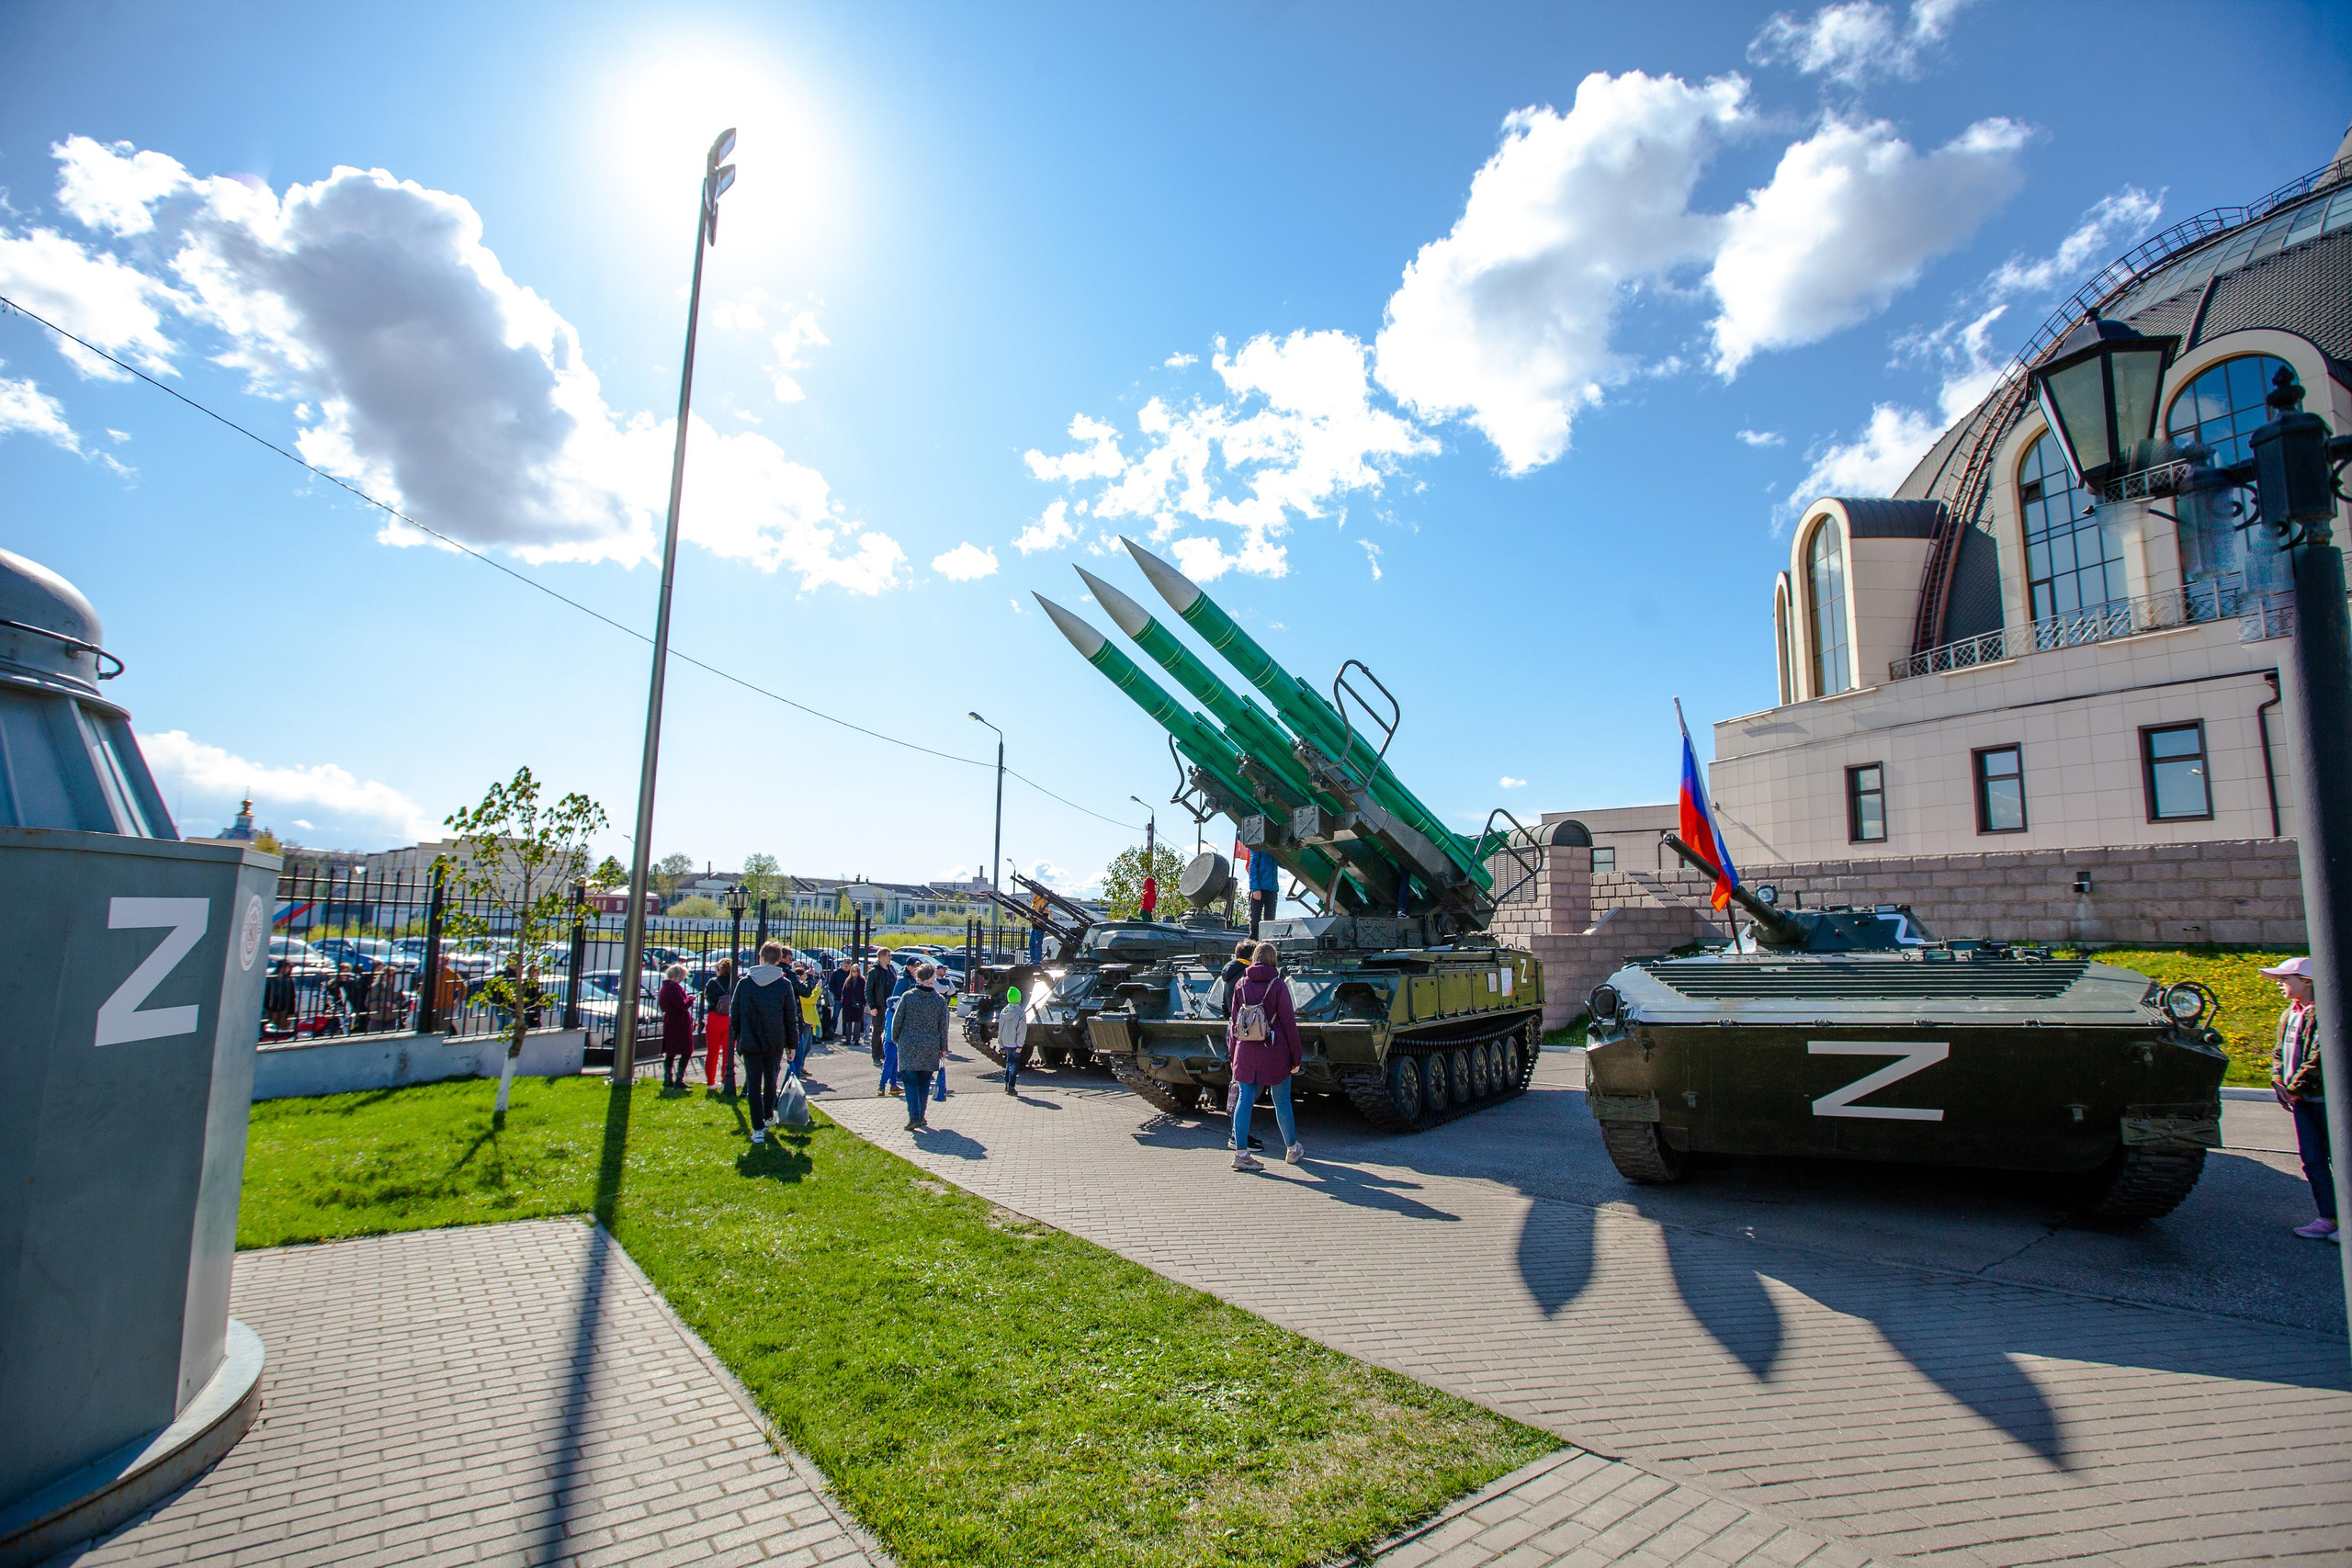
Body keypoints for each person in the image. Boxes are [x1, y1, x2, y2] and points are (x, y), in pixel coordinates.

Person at [2267, 955, 2335, 1241]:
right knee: (2313, 1159)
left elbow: (2319, 1058)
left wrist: (2293, 1088)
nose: (2280, 984)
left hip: (2326, 1102)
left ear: (2307, 982)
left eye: (2286, 979)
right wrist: (2278, 1079)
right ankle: (2329, 1217)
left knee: (2341, 1160)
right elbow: (2278, 1052)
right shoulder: (2289, 1013)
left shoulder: (2325, 1012)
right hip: (2302, 1102)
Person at [1227, 941, 1303, 1170]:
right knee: (1281, 1101)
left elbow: (1234, 1023)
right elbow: (1289, 1024)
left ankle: (1241, 1154)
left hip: (1245, 1052)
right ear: (1273, 960)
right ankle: (1292, 1150)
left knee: (1244, 1098)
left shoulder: (1240, 984)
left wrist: (1233, 1055)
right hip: (1275, 1051)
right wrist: (1296, 1057)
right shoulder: (1278, 985)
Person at [732, 942, 799, 1144]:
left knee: (753, 1083)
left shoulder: (745, 983)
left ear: (760, 956)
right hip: (775, 1039)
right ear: (779, 960)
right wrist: (792, 1044)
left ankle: (758, 1128)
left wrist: (739, 1035)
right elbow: (790, 1017)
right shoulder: (783, 984)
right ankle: (768, 1114)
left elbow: (734, 1014)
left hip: (751, 1039)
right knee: (771, 1080)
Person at [894, 963, 950, 1131]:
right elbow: (943, 1027)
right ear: (933, 978)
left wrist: (897, 1038)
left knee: (910, 1082)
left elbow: (898, 1021)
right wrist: (943, 1048)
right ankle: (921, 1116)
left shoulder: (908, 997)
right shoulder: (939, 1001)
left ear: (918, 978)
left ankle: (914, 1117)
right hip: (930, 1046)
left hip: (908, 1045)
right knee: (924, 1083)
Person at [702, 958, 736, 1093]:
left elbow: (708, 997)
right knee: (728, 1053)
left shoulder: (713, 982)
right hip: (730, 1018)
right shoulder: (735, 982)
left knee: (712, 1052)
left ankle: (710, 1082)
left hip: (714, 1017)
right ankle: (725, 1081)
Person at [659, 964, 695, 1088]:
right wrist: (690, 999)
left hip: (670, 1020)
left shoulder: (664, 988)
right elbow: (681, 1005)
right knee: (686, 1050)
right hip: (679, 1022)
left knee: (670, 1051)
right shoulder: (673, 988)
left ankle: (668, 1078)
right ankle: (679, 1079)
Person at [791, 958, 822, 1078]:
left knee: (808, 1046)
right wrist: (818, 988)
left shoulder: (803, 987)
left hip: (809, 1020)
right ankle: (796, 1069)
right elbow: (811, 999)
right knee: (802, 1047)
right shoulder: (799, 990)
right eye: (804, 975)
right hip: (804, 1019)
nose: (805, 976)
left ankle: (801, 1066)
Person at [866, 953, 898, 1063]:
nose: (890, 958)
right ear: (881, 957)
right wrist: (872, 1006)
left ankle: (886, 1055)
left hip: (891, 1007)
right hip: (879, 1007)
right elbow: (868, 990)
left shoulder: (891, 969)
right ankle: (876, 1056)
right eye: (888, 956)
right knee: (877, 1031)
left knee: (889, 1031)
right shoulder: (874, 972)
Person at [1246, 845, 1280, 939]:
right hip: (1259, 889)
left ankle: (1267, 946)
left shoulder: (1275, 848)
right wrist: (1255, 888)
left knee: (1270, 921)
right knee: (1255, 921)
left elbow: (1282, 864)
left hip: (1272, 889)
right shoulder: (1258, 846)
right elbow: (1252, 867)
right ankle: (1252, 945)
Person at [999, 984, 1027, 1095]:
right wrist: (1020, 1045)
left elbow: (1000, 1029)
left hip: (1006, 1042)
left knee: (1008, 1063)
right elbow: (1022, 1030)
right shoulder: (1020, 1013)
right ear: (1019, 1000)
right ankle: (1011, 1086)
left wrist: (1001, 1044)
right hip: (1015, 1043)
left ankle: (1006, 1084)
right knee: (1014, 1065)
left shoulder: (1003, 1012)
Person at [367, 961, 404, 1034]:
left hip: (391, 1019)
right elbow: (369, 1003)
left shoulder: (396, 987)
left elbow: (402, 1000)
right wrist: (385, 1004)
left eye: (394, 976)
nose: (392, 978)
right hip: (377, 1019)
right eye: (390, 975)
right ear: (383, 976)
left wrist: (396, 1005)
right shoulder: (375, 987)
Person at [839, 962, 867, 1057]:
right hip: (848, 1005)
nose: (854, 972)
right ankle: (847, 1039)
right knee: (848, 1022)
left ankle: (856, 1039)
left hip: (858, 1004)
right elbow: (844, 992)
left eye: (856, 971)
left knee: (857, 1022)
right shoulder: (848, 980)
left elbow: (865, 993)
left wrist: (863, 1003)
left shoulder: (862, 981)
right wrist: (844, 1002)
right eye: (853, 971)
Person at [263, 957, 297, 1036]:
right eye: (287, 967)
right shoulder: (271, 979)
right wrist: (267, 1008)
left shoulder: (289, 980)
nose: (287, 969)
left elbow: (292, 997)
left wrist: (291, 1012)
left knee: (283, 1032)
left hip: (284, 1011)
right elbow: (267, 995)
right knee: (271, 1031)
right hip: (272, 1011)